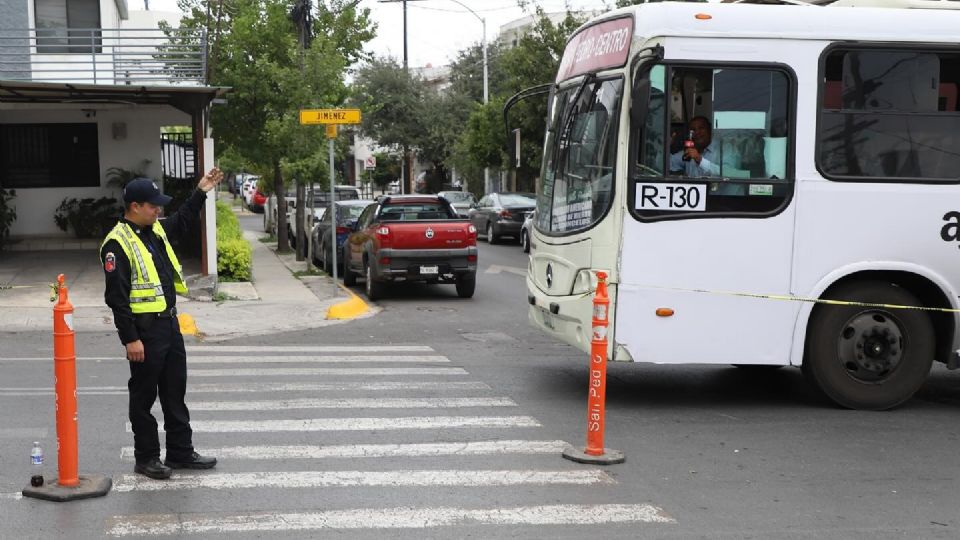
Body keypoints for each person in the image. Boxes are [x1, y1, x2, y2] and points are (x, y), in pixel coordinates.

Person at [100, 168, 224, 480]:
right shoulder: (117, 244)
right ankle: (146, 458)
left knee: (174, 391)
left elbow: (182, 220)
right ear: (135, 207)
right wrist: (130, 339)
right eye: (153, 205)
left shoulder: (155, 231)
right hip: (144, 331)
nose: (159, 209)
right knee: (143, 398)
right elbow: (117, 297)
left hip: (169, 325)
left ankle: (180, 452)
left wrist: (201, 190)